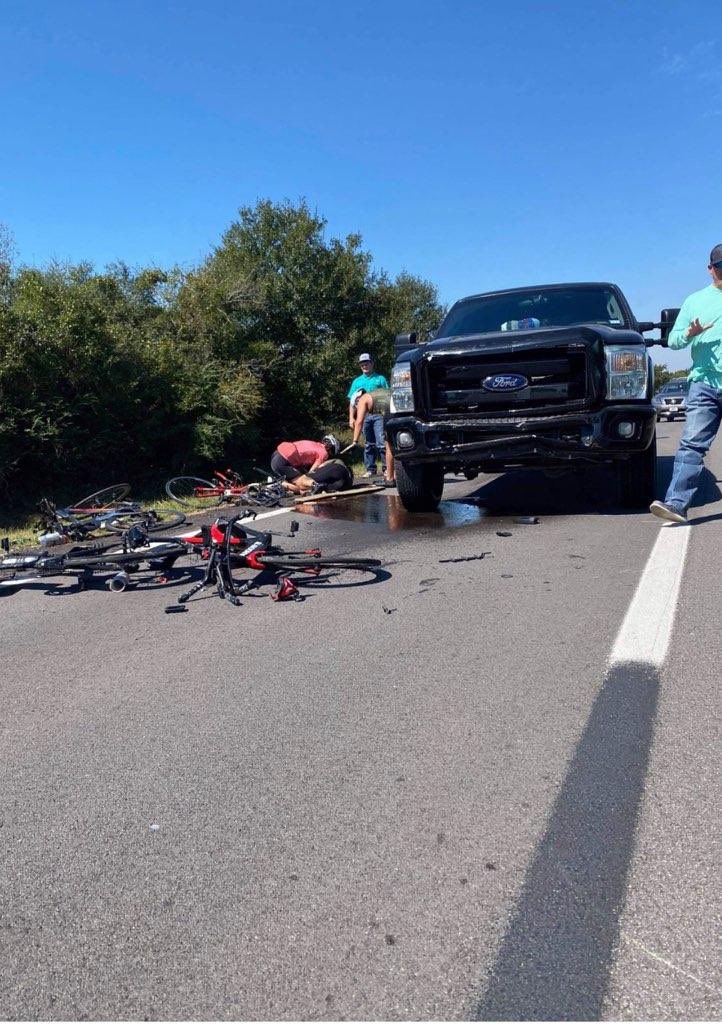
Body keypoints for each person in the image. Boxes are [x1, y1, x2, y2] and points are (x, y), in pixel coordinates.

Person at [650, 244, 722, 523]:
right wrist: (690, 333)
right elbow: (673, 340)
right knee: (692, 444)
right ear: (710, 269)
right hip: (704, 383)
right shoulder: (695, 300)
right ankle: (676, 504)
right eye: (720, 267)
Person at [347, 353, 389, 477]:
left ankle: (386, 467)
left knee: (381, 441)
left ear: (372, 363)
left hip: (379, 414)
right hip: (363, 415)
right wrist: (351, 417)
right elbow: (351, 401)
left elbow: (388, 395)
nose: (365, 365)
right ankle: (370, 469)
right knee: (368, 443)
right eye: (362, 364)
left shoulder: (380, 379)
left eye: (367, 363)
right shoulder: (357, 381)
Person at [270, 434, 351, 494]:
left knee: (297, 477)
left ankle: (279, 483)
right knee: (301, 485)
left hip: (277, 455)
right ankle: (281, 485)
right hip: (284, 460)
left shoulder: (314, 444)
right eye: (331, 452)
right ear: (330, 448)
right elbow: (313, 471)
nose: (329, 455)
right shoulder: (323, 453)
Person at [350, 387, 395, 486]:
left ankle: (390, 479)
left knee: (388, 445)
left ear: (357, 401)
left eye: (356, 407)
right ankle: (394, 475)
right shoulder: (374, 394)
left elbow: (359, 422)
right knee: (396, 443)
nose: (357, 409)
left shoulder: (362, 399)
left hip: (391, 409)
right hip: (401, 404)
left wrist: (355, 441)